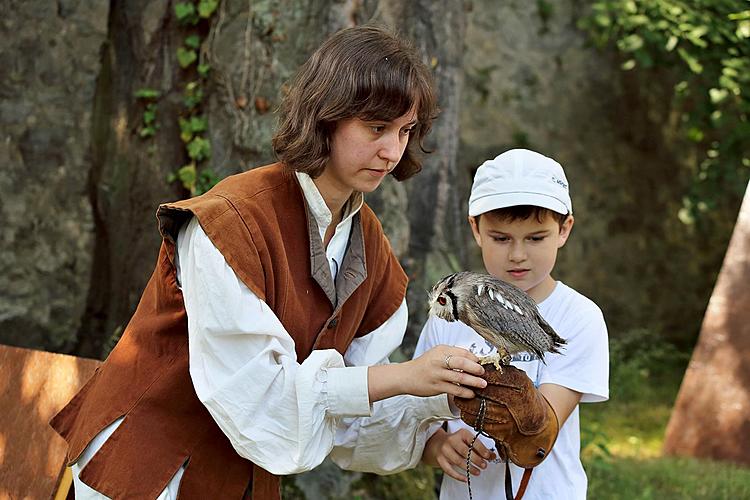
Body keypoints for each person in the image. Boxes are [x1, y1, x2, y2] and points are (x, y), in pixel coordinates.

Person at [50, 25, 488, 500]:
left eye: (404, 131)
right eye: (376, 128)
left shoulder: (370, 246)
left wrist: (435, 414)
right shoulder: (229, 223)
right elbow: (261, 397)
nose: (392, 150)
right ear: (326, 117)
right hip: (147, 472)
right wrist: (406, 376)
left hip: (244, 481)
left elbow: (349, 407)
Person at [415, 149, 609, 499]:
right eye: (501, 238)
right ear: (476, 229)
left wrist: (522, 422)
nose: (517, 254)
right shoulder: (449, 315)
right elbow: (418, 417)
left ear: (564, 229)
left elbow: (541, 433)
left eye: (536, 238)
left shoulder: (578, 316)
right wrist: (439, 445)